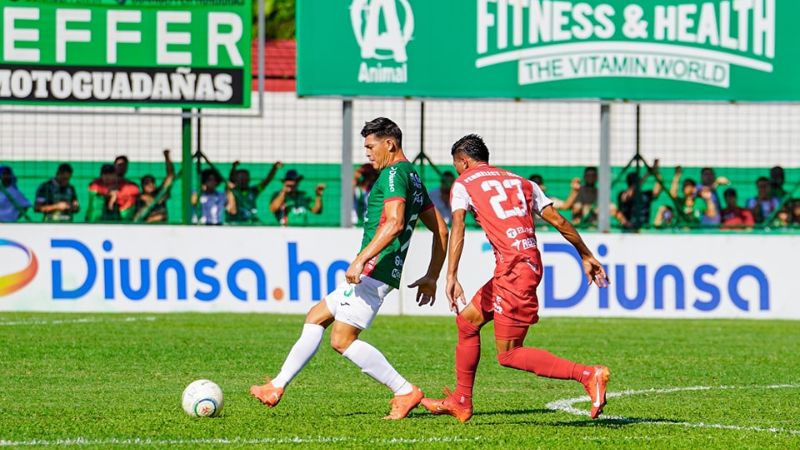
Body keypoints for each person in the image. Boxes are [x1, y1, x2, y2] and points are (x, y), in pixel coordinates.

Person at [250, 117, 450, 420]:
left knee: (342, 340)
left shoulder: (395, 173)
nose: (367, 154)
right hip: (378, 268)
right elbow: (442, 231)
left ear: (390, 144)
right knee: (316, 316)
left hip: (374, 269)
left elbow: (395, 224)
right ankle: (276, 386)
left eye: (370, 147)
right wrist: (432, 275)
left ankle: (404, 390)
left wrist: (360, 259)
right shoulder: (413, 176)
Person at [420, 134, 610, 423]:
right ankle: (461, 400)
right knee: (467, 322)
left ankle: (587, 374)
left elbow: (457, 226)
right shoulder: (523, 182)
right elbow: (558, 220)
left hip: (513, 270)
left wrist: (451, 275)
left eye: (457, 165)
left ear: (463, 161)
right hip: (523, 264)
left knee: (509, 354)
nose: (458, 170)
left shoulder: (464, 182)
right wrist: (585, 254)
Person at [615, 161, 662, 230]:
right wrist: (647, 174)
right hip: (629, 229)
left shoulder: (645, 195)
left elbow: (657, 190)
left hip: (644, 229)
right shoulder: (623, 195)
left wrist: (656, 173)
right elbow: (630, 194)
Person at [134, 150, 175, 223]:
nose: (150, 185)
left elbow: (170, 176)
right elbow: (136, 218)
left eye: (152, 182)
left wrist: (167, 157)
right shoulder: (139, 198)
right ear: (143, 186)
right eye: (147, 183)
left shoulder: (160, 193)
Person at [113, 155, 141, 221]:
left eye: (124, 165)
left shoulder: (133, 187)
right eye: (119, 164)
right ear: (114, 166)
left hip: (128, 221)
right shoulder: (106, 184)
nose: (121, 167)